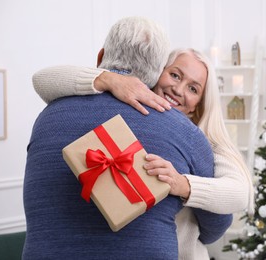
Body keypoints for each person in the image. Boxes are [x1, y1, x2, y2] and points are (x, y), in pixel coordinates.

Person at [33, 26, 254, 260]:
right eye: (175, 75)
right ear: (158, 71)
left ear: (198, 104)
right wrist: (110, 80)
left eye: (193, 88)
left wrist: (183, 185)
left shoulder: (204, 138)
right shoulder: (136, 112)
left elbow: (239, 197)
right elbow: (42, 79)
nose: (178, 89)